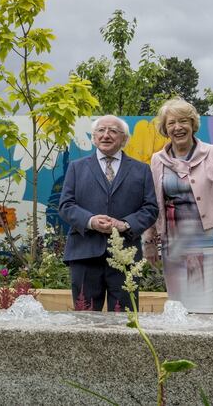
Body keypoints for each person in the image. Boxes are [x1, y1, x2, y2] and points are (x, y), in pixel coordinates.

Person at [143, 98, 213, 314]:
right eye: (171, 123)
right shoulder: (157, 160)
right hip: (173, 243)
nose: (178, 127)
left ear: (192, 124)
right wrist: (149, 241)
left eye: (183, 121)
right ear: (165, 129)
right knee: (179, 308)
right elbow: (153, 203)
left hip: (210, 242)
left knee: (208, 306)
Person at [59, 115, 158, 311]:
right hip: (84, 253)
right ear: (94, 137)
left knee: (124, 319)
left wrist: (125, 224)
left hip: (125, 256)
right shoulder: (76, 168)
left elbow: (151, 208)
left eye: (113, 131)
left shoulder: (142, 170)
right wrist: (90, 220)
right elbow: (66, 205)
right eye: (101, 131)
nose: (106, 135)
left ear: (124, 139)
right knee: (85, 320)